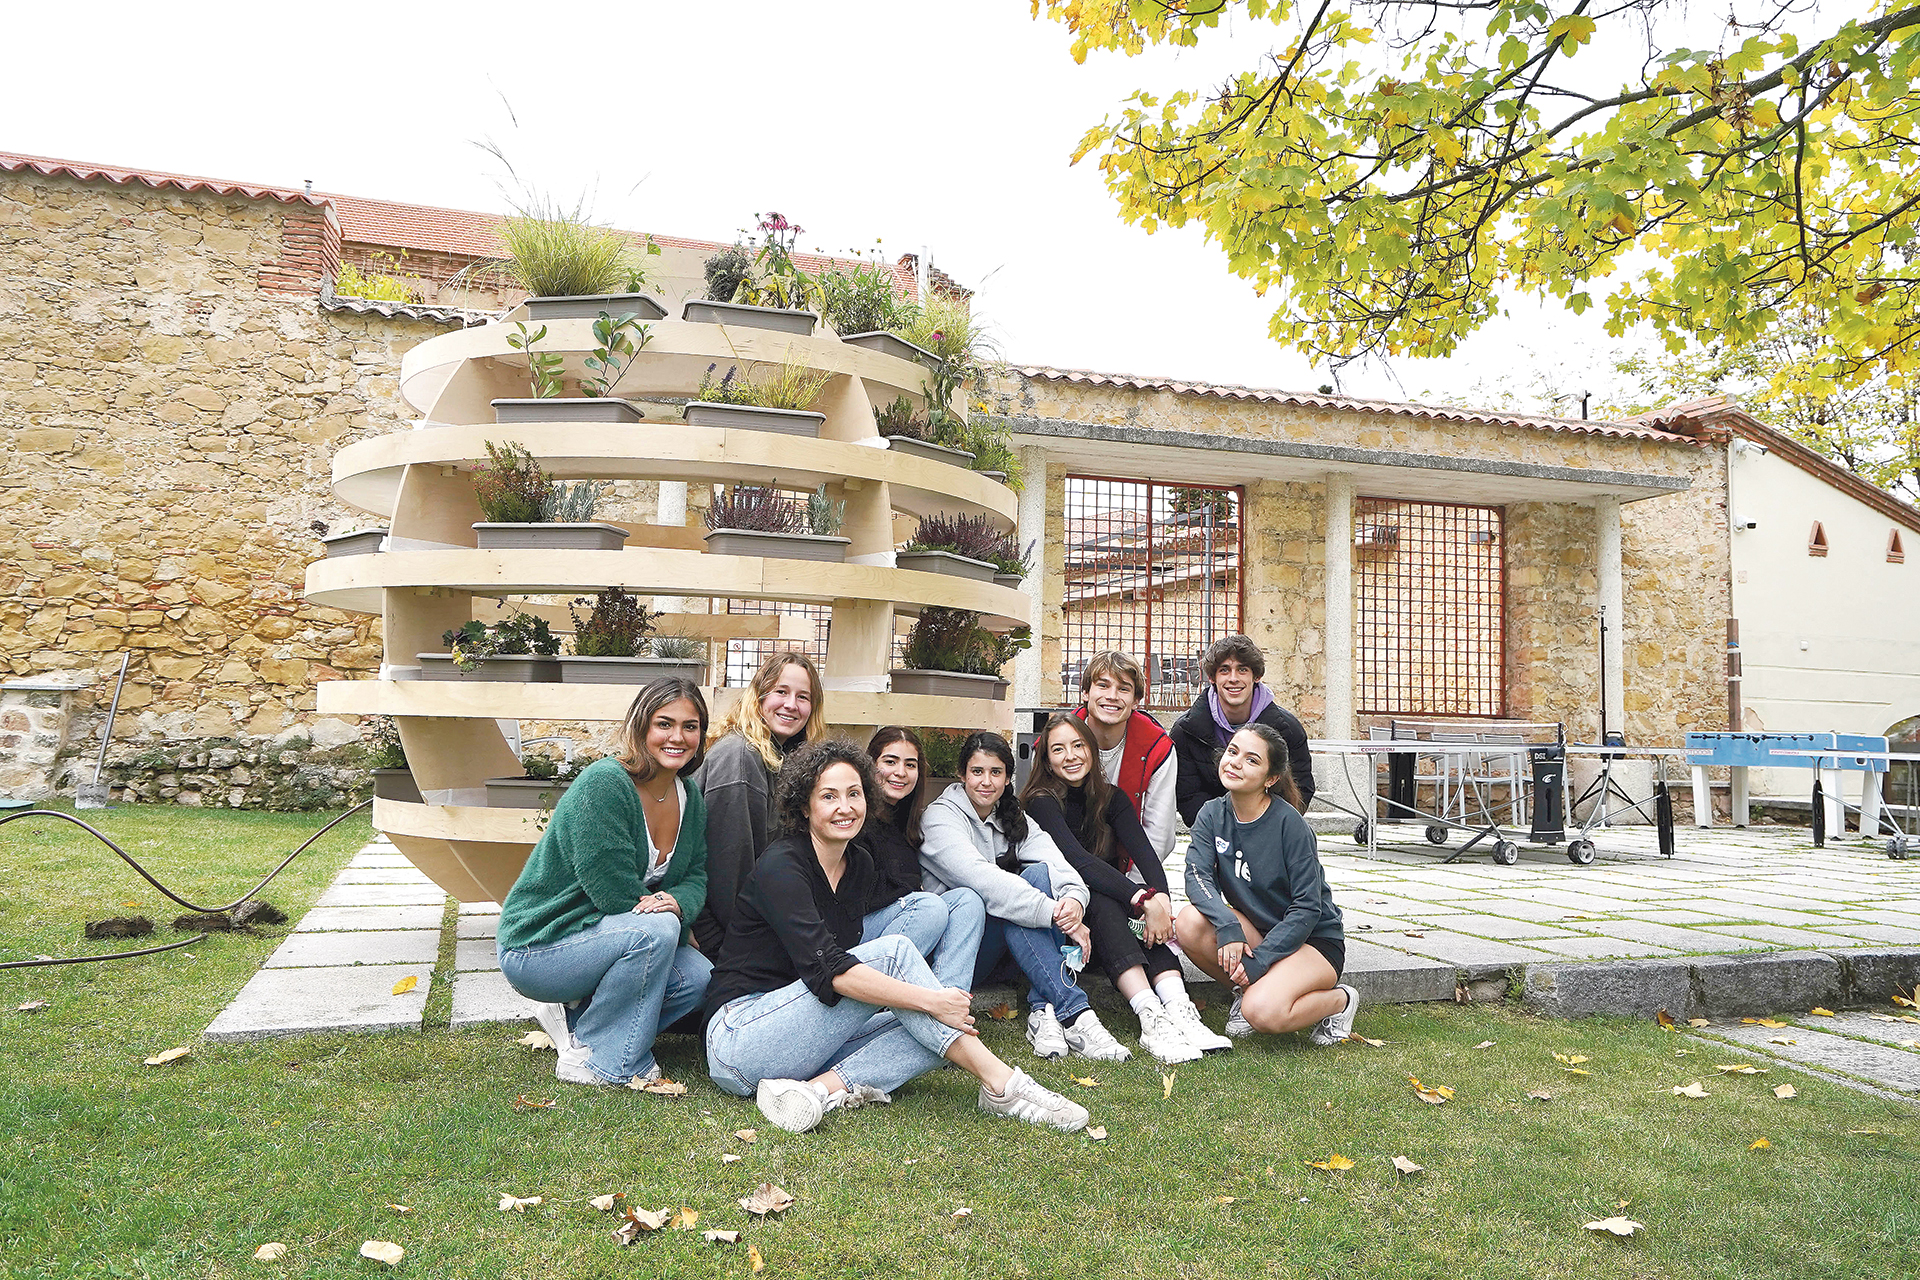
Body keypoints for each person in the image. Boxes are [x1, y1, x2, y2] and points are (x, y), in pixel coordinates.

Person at [705, 740, 1088, 1135]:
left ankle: (818, 1091)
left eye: (854, 794)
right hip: (740, 1037)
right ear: (804, 806)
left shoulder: (857, 865)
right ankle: (1004, 1084)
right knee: (904, 971)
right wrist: (933, 1001)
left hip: (806, 1040)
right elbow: (833, 972)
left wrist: (932, 1011)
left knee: (932, 1036)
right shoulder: (781, 866)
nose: (845, 807)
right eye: (829, 796)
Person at [496, 679, 713, 1087]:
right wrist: (673, 924)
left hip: (608, 937)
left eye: (691, 726)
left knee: (696, 978)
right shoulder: (605, 784)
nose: (677, 737)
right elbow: (612, 892)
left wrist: (679, 906)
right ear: (641, 726)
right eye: (664, 723)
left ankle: (578, 1023)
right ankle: (603, 1062)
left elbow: (696, 874)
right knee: (656, 932)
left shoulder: (689, 796)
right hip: (539, 945)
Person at [1021, 714, 1232, 1063]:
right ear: (1046, 759)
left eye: (1077, 745)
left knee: (1127, 902)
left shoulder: (1112, 798)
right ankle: (1150, 1016)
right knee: (1106, 898)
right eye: (1058, 749)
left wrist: (1160, 899)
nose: (1070, 756)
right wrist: (1141, 898)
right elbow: (1079, 863)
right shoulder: (1041, 801)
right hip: (1066, 920)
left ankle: (1179, 1007)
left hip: (1110, 920)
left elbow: (1145, 854)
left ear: (1092, 749)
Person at [920, 732, 1127, 1062]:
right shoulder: (939, 818)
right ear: (962, 775)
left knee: (1038, 876)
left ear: (1007, 778)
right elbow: (983, 881)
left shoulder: (1013, 816)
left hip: (1010, 948)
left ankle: (1044, 1010)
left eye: (996, 772)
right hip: (964, 955)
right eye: (977, 771)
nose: (986, 782)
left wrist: (1074, 900)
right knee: (1012, 899)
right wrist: (1055, 913)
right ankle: (1075, 1013)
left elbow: (1057, 862)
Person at [1176, 722, 1357, 1044]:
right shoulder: (1211, 814)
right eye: (1233, 751)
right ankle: (1246, 991)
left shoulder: (1290, 825)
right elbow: (1197, 876)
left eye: (1251, 759)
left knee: (1262, 1013)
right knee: (1189, 921)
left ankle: (1339, 1001)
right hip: (1257, 932)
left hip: (1312, 942)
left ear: (1271, 779)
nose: (1234, 762)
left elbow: (1306, 908)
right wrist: (1227, 925)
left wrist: (1260, 960)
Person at [691, 649, 827, 955]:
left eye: (803, 697)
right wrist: (742, 951)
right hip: (720, 936)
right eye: (781, 691)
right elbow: (729, 872)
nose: (791, 705)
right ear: (760, 696)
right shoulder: (741, 758)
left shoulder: (781, 756)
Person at [858, 726, 986, 978]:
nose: (900, 772)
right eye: (890, 761)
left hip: (906, 921)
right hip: (859, 931)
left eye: (910, 764)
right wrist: (912, 896)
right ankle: (877, 993)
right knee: (930, 906)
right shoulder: (856, 815)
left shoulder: (909, 822)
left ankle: (947, 1003)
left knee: (967, 900)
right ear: (870, 764)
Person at [1170, 634, 1316, 826]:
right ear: (1212, 677)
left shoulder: (1288, 729)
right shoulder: (1186, 731)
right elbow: (1188, 796)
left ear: (1256, 676)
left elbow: (1300, 789)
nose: (1233, 678)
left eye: (1242, 670)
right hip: (1212, 834)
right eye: (1224, 670)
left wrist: (1260, 829)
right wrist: (1223, 830)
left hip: (1269, 833)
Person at [1073, 650, 1178, 862]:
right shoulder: (1054, 742)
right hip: (1065, 864)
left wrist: (1133, 888)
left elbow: (1159, 835)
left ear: (1136, 700)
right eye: (1102, 685)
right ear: (1085, 692)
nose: (1112, 696)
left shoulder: (1158, 749)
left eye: (1123, 689)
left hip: (1129, 867)